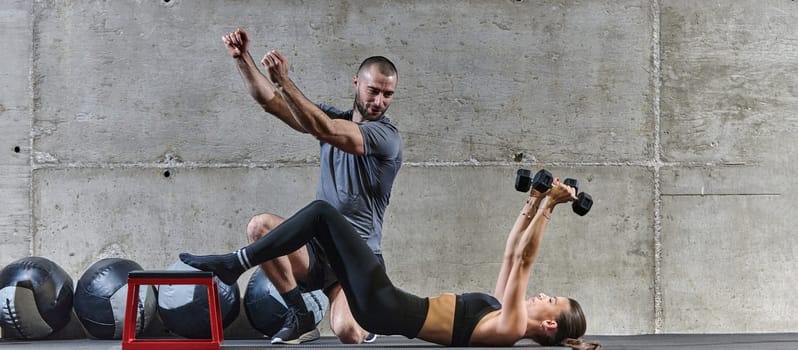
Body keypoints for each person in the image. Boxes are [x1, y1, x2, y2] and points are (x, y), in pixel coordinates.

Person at [180, 179, 601, 349]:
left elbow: (526, 261)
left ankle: (236, 264)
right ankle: (242, 262)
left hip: (384, 305)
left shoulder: (508, 328)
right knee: (322, 224)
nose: (544, 294)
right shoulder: (496, 310)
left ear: (549, 324)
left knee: (325, 213)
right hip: (383, 300)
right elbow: (512, 254)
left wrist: (551, 207)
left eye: (554, 300)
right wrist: (533, 201)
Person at [222, 28, 402, 344]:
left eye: (387, 95)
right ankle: (301, 316)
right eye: (373, 91)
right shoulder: (331, 117)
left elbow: (326, 129)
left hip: (358, 257)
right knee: (260, 228)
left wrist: (285, 81)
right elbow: (272, 104)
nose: (378, 102)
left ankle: (367, 314)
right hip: (317, 251)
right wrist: (243, 59)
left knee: (347, 331)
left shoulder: (386, 138)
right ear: (357, 83)